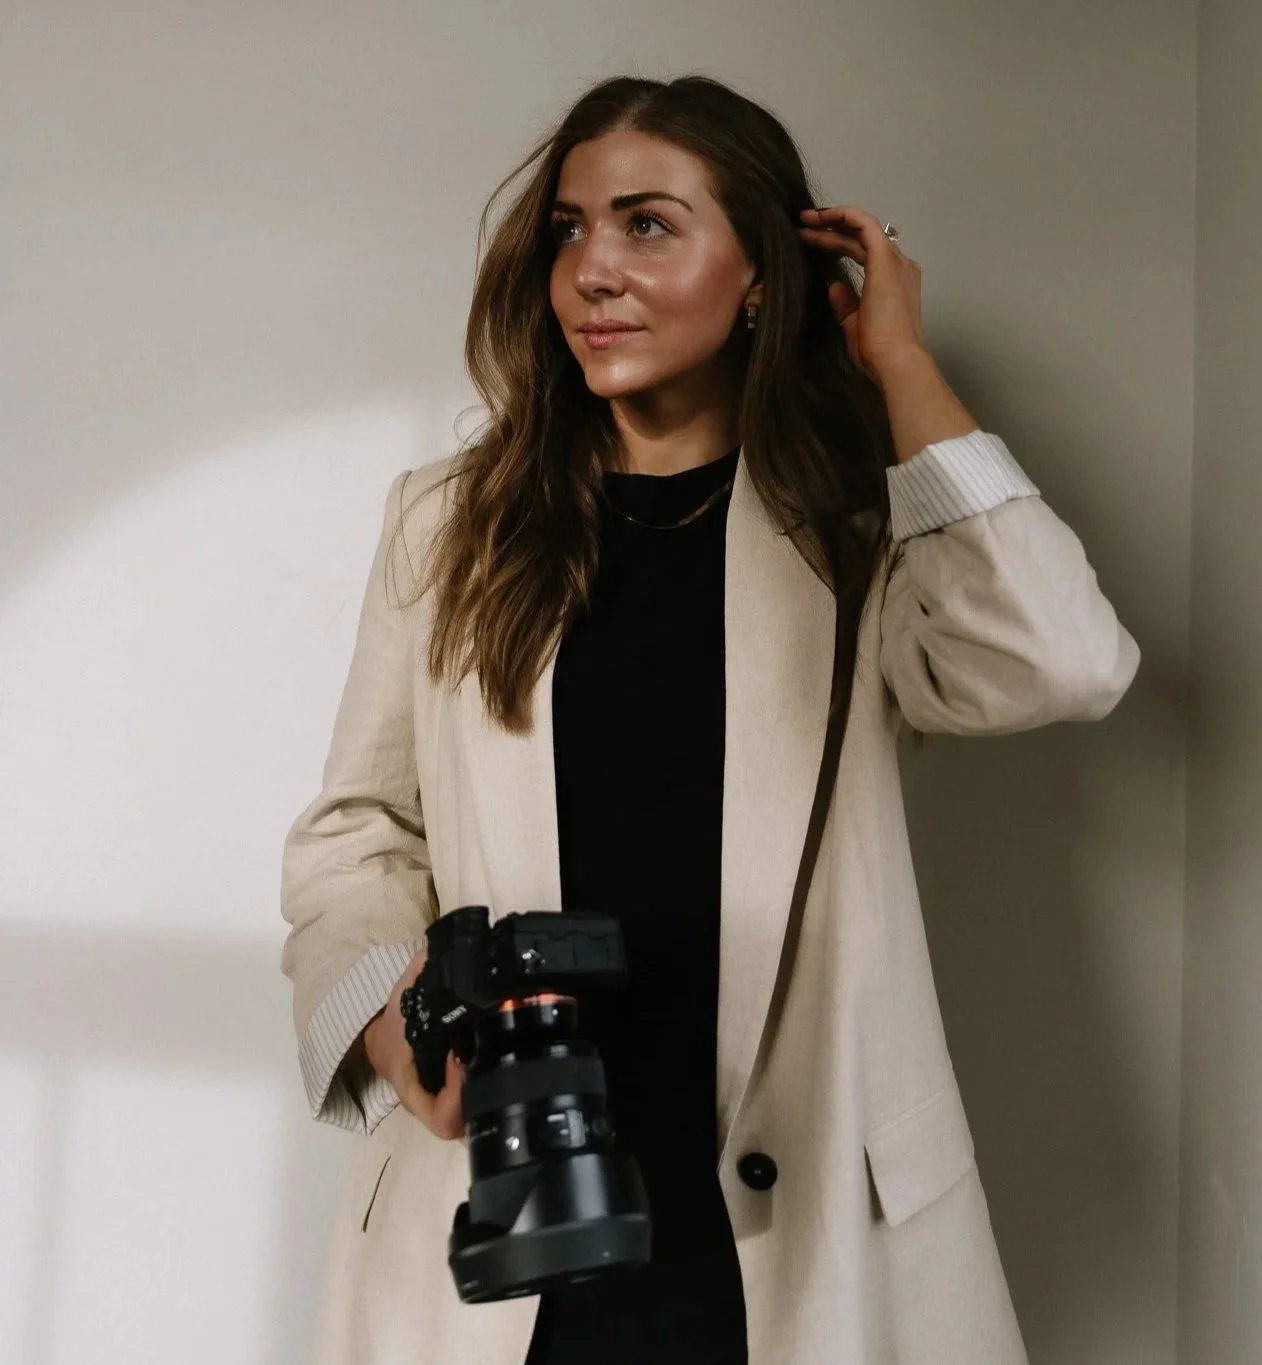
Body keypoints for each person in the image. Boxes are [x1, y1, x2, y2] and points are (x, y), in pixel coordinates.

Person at [279, 73, 1139, 1365]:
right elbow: (353, 833)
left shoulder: (857, 528)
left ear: (761, 275)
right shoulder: (450, 523)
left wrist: (900, 360)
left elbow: (1066, 659)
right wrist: (396, 1024)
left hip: (787, 1253)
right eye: (570, 230)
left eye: (647, 224)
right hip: (512, 1237)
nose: (592, 272)